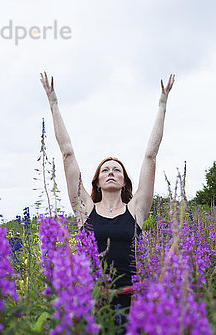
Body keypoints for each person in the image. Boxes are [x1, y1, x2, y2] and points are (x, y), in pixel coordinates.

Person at [40, 71, 175, 317]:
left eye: (117, 170)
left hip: (131, 303)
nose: (111, 172)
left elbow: (150, 156)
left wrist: (162, 106)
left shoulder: (136, 210)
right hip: (91, 304)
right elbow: (67, 154)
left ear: (124, 182)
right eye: (105, 170)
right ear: (97, 181)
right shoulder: (85, 210)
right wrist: (54, 105)